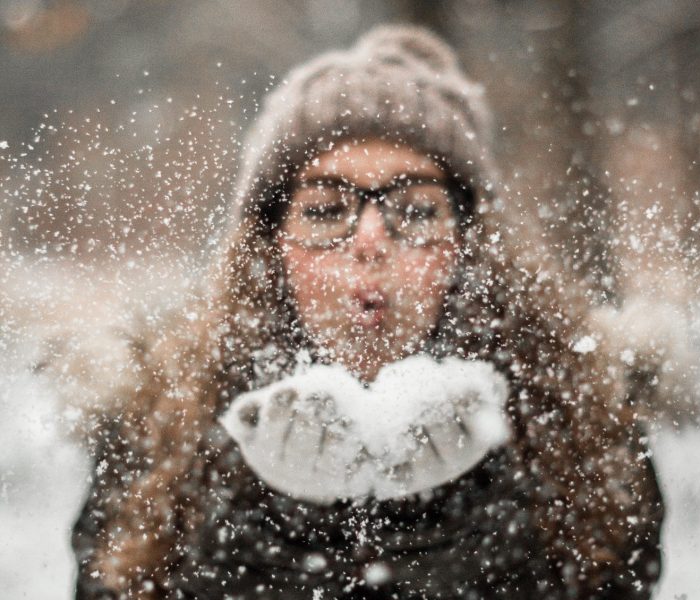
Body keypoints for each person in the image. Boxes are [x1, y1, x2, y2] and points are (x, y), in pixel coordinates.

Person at [65, 26, 663, 599]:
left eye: (418, 209)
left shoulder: (578, 411)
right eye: (327, 210)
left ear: (470, 246)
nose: (372, 239)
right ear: (269, 247)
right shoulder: (161, 419)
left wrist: (443, 532)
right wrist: (292, 526)